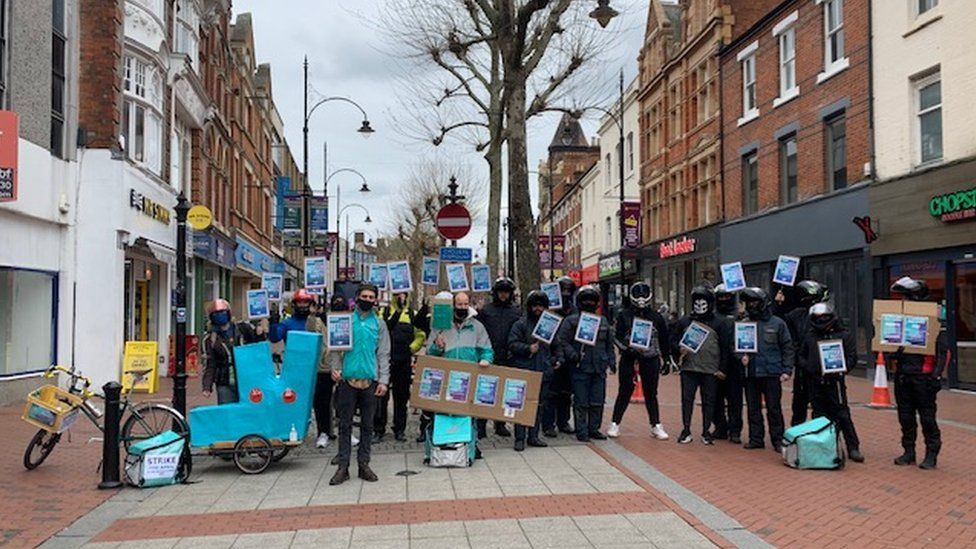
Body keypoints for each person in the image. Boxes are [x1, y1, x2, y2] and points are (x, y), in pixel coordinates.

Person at [327, 284, 391, 485]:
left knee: (367, 425)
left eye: (371, 297)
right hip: (348, 380)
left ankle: (364, 464)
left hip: (369, 382)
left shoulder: (379, 324)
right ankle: (343, 467)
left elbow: (383, 353)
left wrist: (384, 380)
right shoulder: (346, 321)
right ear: (357, 298)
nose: (368, 299)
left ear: (375, 300)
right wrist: (335, 368)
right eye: (364, 296)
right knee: (344, 425)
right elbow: (336, 348)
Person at [426, 292, 494, 458]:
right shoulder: (439, 326)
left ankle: (470, 446)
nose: (462, 308)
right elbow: (430, 353)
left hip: (468, 378)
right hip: (446, 378)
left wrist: (485, 359)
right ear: (453, 305)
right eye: (459, 304)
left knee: (468, 415)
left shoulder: (477, 327)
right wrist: (437, 345)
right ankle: (443, 445)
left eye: (465, 304)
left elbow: (486, 349)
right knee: (443, 414)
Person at [797, 302, 864, 462]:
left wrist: (842, 368)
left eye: (824, 317)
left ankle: (853, 447)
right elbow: (800, 356)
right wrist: (810, 367)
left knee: (842, 414)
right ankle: (822, 445)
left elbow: (852, 357)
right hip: (815, 381)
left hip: (836, 382)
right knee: (818, 414)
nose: (821, 320)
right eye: (817, 318)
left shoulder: (843, 335)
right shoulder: (809, 336)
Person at [889, 276, 943, 470]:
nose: (903, 302)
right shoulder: (899, 321)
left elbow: (943, 351)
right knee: (905, 417)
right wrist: (893, 350)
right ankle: (909, 451)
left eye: (906, 298)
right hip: (904, 376)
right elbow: (889, 349)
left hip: (924, 377)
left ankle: (931, 453)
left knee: (927, 418)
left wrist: (936, 376)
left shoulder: (932, 319)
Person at [670, 285, 733, 445]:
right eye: (697, 301)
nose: (700, 304)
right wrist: (679, 350)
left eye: (703, 301)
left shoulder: (720, 322)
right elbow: (673, 341)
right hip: (689, 368)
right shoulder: (685, 321)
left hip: (710, 370)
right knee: (687, 400)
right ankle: (686, 429)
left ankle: (706, 430)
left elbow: (726, 347)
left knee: (709, 401)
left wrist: (722, 369)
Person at [609, 281, 671, 440]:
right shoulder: (624, 315)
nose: (641, 299)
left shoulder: (656, 317)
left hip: (650, 358)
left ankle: (656, 424)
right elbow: (617, 337)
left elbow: (664, 339)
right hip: (629, 358)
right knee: (625, 391)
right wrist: (627, 350)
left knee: (651, 392)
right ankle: (615, 423)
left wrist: (667, 359)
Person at [554, 285, 615, 442]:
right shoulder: (571, 321)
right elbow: (562, 340)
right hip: (580, 366)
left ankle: (594, 429)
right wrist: (572, 355)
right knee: (581, 401)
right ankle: (581, 431)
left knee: (597, 400)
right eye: (586, 300)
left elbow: (609, 344)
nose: (589, 303)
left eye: (591, 300)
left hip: (599, 367)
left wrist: (611, 361)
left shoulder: (603, 321)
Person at [738, 287, 793, 452]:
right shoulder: (744, 324)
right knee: (753, 408)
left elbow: (787, 347)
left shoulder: (778, 323)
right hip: (752, 372)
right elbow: (735, 346)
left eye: (754, 302)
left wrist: (787, 370)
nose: (751, 305)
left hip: (772, 372)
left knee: (774, 408)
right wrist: (740, 357)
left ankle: (777, 439)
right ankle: (756, 439)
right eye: (749, 302)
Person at [507, 290, 556, 451]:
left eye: (541, 306)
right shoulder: (520, 324)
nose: (538, 309)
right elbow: (512, 344)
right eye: (535, 305)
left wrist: (556, 360)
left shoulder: (550, 325)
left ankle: (533, 436)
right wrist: (528, 348)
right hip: (525, 369)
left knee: (538, 405)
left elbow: (557, 345)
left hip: (543, 370)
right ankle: (520, 437)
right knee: (521, 405)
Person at [474, 277, 521, 438]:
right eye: (501, 292)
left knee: (503, 392)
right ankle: (481, 424)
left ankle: (500, 424)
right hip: (489, 355)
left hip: (508, 356)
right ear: (496, 293)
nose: (503, 295)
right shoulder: (486, 310)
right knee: (485, 391)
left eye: (506, 292)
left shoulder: (516, 311)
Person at [376, 293, 425, 442]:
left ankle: (399, 429)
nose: (400, 296)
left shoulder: (412, 313)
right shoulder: (383, 312)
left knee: (401, 397)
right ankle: (378, 429)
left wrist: (412, 348)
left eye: (403, 294)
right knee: (381, 397)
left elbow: (420, 334)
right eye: (397, 294)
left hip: (403, 360)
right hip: (385, 359)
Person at [784, 280, 829, 427]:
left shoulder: (828, 316)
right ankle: (797, 435)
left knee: (821, 405)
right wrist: (780, 303)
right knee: (799, 405)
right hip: (803, 368)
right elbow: (783, 322)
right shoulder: (797, 314)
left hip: (821, 369)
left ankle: (820, 436)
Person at [543, 276, 578, 437]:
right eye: (562, 290)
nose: (565, 294)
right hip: (553, 355)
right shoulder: (549, 309)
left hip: (569, 356)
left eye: (568, 291)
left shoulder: (574, 310)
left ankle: (563, 421)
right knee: (551, 392)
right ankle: (548, 424)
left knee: (566, 392)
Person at [711, 284, 744, 443]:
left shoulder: (741, 316)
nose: (724, 300)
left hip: (735, 364)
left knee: (735, 400)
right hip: (716, 363)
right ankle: (720, 428)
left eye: (727, 296)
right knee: (715, 399)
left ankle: (735, 430)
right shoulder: (713, 316)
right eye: (721, 297)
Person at [201, 299, 240, 404]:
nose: (220, 315)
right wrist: (207, 386)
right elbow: (210, 363)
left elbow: (256, 346)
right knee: (226, 414)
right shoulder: (210, 339)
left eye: (222, 312)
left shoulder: (241, 330)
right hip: (224, 381)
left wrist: (261, 330)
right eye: (216, 314)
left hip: (244, 378)